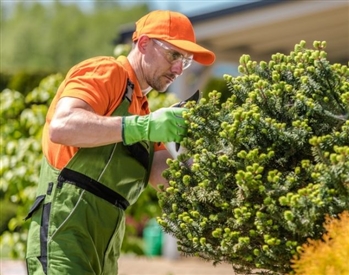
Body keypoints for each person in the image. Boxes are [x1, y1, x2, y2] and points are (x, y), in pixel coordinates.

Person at [25, 9, 215, 275]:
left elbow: (168, 180)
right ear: (145, 43)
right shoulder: (107, 72)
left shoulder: (145, 113)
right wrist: (143, 126)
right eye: (173, 55)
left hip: (106, 249)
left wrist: (220, 167)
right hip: (64, 235)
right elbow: (62, 125)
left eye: (185, 62)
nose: (177, 69)